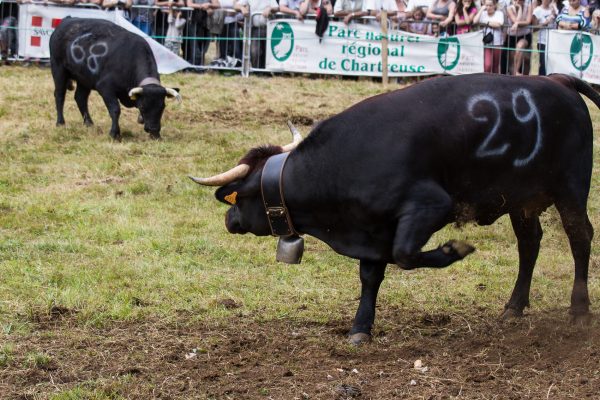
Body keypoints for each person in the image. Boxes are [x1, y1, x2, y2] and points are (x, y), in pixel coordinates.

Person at [238, 0, 279, 68]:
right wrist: (242, 8)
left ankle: (266, 71)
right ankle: (256, 71)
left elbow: (277, 7)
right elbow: (236, 5)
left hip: (269, 29)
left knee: (268, 52)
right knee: (254, 51)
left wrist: (270, 8)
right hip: (255, 28)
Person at [185, 0, 218, 65]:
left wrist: (209, 5)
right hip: (194, 21)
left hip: (207, 23)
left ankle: (200, 66)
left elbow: (217, 4)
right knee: (195, 46)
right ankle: (195, 66)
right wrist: (201, 6)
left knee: (204, 47)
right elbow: (189, 4)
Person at [474, 0, 504, 72]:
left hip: (497, 43)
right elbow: (475, 21)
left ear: (494, 5)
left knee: (495, 66)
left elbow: (499, 24)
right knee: (487, 65)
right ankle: (486, 80)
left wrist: (486, 22)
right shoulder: (483, 13)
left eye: (490, 5)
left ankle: (495, 81)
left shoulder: (499, 13)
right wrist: (481, 9)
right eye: (487, 5)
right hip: (487, 43)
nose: (488, 7)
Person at [506, 0, 533, 75]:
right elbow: (515, 20)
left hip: (525, 35)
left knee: (519, 47)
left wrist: (517, 23)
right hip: (512, 36)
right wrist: (520, 8)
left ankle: (516, 72)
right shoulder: (509, 7)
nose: (517, 1)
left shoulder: (529, 5)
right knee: (512, 59)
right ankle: (513, 73)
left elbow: (528, 21)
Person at [532, 0, 558, 74]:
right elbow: (533, 28)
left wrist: (555, 10)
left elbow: (559, 19)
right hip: (542, 41)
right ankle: (541, 81)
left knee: (552, 64)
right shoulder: (537, 10)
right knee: (543, 64)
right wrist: (545, 23)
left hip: (554, 41)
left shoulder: (553, 9)